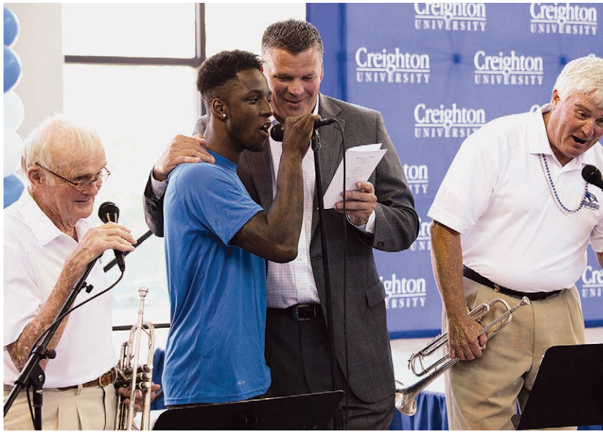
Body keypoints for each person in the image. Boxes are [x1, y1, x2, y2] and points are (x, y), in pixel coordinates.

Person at [143, 19, 418, 429]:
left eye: (307, 77)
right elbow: (167, 224)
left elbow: (407, 223)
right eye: (283, 78)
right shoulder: (224, 132)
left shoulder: (363, 124)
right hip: (268, 344)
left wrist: (371, 217)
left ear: (322, 72)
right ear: (266, 72)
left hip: (351, 340)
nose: (295, 89)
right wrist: (158, 175)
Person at [428, 56, 603, 430]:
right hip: (488, 310)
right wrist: (457, 319)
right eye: (582, 113)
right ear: (556, 97)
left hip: (561, 316)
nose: (589, 129)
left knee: (561, 425)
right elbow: (444, 230)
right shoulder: (497, 141)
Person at [162, 49, 317, 407]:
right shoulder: (201, 176)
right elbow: (281, 244)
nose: (268, 110)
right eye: (252, 99)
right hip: (208, 384)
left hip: (243, 380)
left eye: (266, 98)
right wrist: (292, 155)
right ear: (220, 109)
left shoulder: (225, 176)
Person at [3, 116, 152, 430]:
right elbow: (25, 360)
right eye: (80, 178)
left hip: (103, 402)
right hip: (41, 409)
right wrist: (74, 265)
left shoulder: (84, 225)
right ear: (36, 176)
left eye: (99, 174)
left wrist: (115, 382)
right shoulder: (8, 238)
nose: (95, 188)